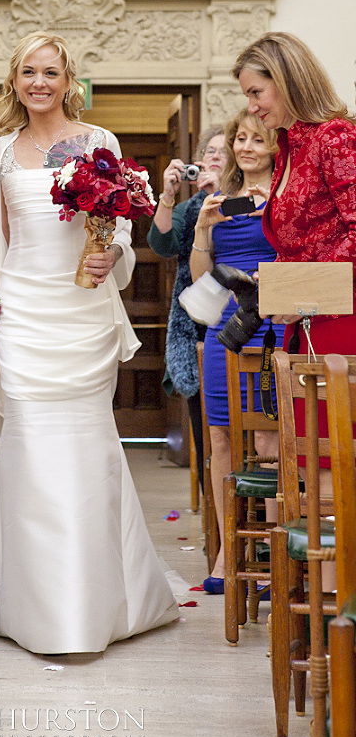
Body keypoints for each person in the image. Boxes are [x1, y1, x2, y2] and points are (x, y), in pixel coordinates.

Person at [0, 31, 178, 655]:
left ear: (68, 80)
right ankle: (29, 601)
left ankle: (97, 596)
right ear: (15, 82)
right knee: (26, 440)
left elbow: (119, 229)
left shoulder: (99, 143)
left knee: (83, 444)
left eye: (51, 71)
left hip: (81, 313)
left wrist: (114, 255)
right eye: (28, 72)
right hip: (23, 312)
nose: (40, 82)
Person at [233, 32, 356, 478]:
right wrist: (278, 285)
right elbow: (300, 243)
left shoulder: (334, 137)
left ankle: (335, 549)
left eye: (255, 92)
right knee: (304, 460)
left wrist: (301, 287)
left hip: (340, 321)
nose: (251, 106)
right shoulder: (288, 148)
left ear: (285, 80)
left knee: (329, 461)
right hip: (302, 322)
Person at [189, 109, 283, 593]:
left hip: (273, 323)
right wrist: (205, 228)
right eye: (239, 138)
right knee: (220, 438)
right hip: (224, 325)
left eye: (257, 139)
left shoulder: (288, 196)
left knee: (269, 442)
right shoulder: (221, 199)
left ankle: (271, 551)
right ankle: (228, 551)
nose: (246, 147)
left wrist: (276, 212)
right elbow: (200, 273)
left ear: (274, 146)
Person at [147, 126, 226, 493]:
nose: (212, 158)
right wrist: (167, 194)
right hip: (197, 320)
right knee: (207, 424)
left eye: (221, 153)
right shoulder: (189, 208)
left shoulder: (251, 197)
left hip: (244, 312)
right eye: (208, 152)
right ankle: (211, 497)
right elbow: (161, 244)